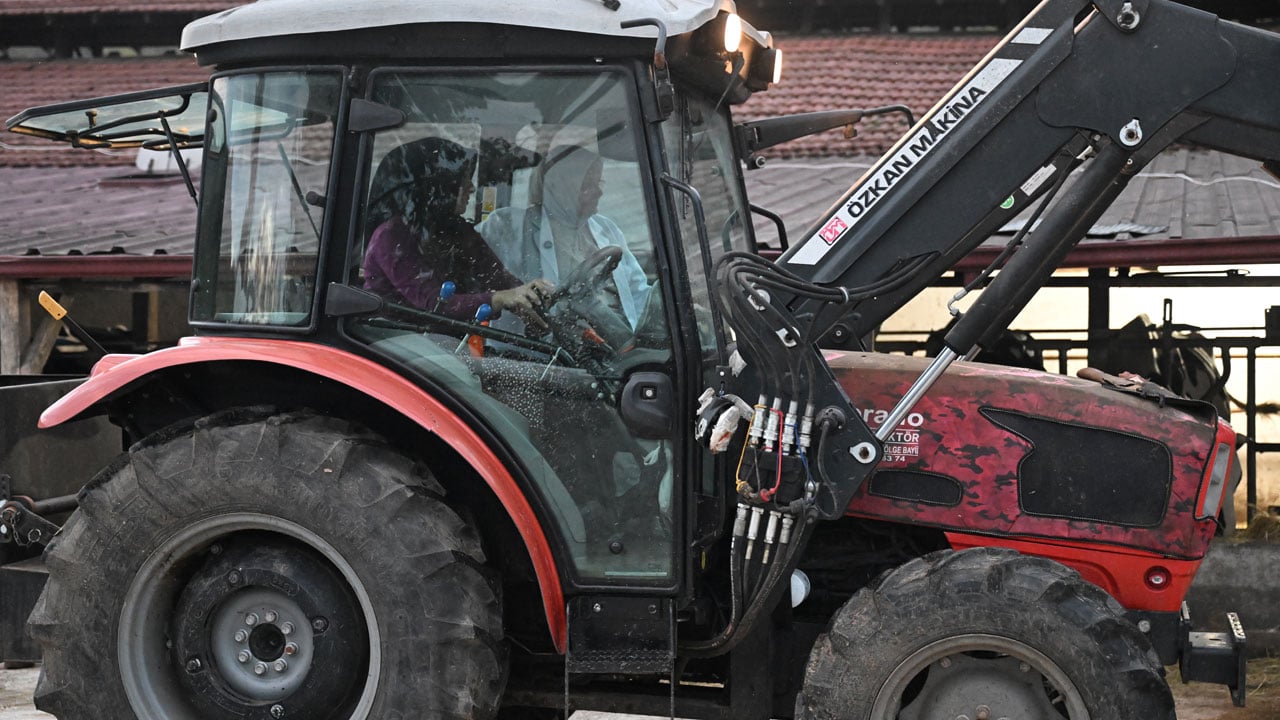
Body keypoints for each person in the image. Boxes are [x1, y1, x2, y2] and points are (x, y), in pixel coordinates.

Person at [363, 137, 550, 327]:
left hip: (442, 343)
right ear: (440, 186)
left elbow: (498, 279)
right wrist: (500, 298)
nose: (471, 187)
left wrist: (528, 295)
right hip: (392, 340)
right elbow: (434, 304)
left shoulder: (457, 230)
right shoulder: (391, 236)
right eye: (463, 179)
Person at [479, 144, 651, 334]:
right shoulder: (508, 226)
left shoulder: (607, 229)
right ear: (557, 186)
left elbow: (638, 292)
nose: (598, 192)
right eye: (587, 185)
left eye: (599, 183)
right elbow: (469, 264)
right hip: (545, 352)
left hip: (613, 344)